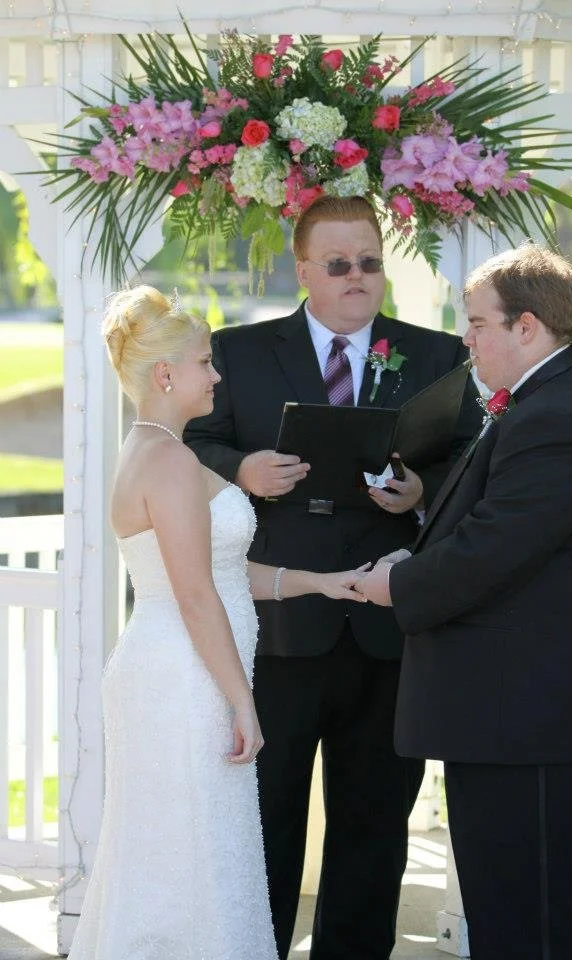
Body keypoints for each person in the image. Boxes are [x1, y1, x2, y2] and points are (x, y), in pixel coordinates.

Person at [184, 196, 481, 960]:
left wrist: (421, 491)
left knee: (375, 827)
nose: (358, 278)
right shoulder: (241, 352)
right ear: (304, 269)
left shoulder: (437, 355)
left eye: (371, 263)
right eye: (340, 264)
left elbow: (469, 461)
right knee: (265, 819)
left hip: (388, 630)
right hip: (280, 629)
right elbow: (192, 443)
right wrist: (243, 468)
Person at [355, 243, 572, 960]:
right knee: (508, 911)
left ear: (528, 327)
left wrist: (396, 584)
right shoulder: (548, 400)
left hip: (528, 720)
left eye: (478, 322)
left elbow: (493, 552)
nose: (466, 338)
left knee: (530, 923)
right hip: (511, 718)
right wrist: (418, 532)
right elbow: (499, 528)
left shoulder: (557, 417)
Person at [68, 285, 366, 960]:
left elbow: (225, 572)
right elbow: (198, 596)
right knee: (186, 856)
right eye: (205, 363)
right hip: (185, 679)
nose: (217, 375)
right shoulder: (169, 460)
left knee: (191, 851)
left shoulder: (160, 450)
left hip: (184, 669)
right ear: (165, 375)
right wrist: (242, 701)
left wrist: (317, 583)